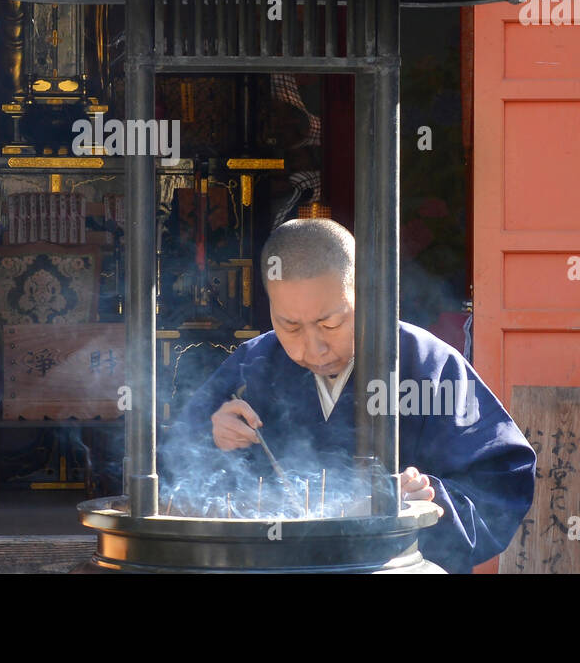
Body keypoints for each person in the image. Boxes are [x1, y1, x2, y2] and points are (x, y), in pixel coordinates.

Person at [159, 218, 537, 573]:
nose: (313, 349)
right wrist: (213, 437)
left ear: (366, 295)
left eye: (331, 323)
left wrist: (429, 500)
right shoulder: (254, 364)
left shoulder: (427, 365)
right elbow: (174, 467)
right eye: (290, 326)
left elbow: (501, 484)